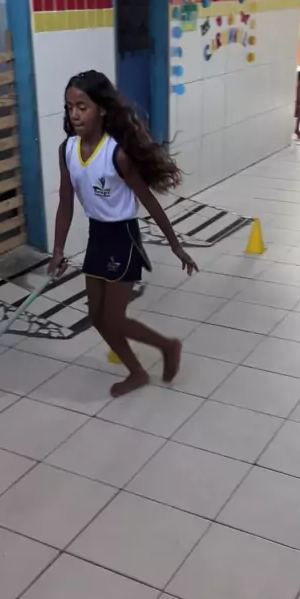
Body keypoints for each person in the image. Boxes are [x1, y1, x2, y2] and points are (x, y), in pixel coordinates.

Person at [48, 70, 198, 397]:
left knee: (114, 318)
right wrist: (58, 250)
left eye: (82, 107)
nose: (75, 114)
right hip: (97, 236)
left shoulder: (117, 154)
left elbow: (149, 202)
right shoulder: (67, 150)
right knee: (97, 317)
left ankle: (167, 346)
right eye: (70, 107)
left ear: (102, 109)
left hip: (123, 238)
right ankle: (138, 372)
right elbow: (65, 202)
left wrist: (175, 246)